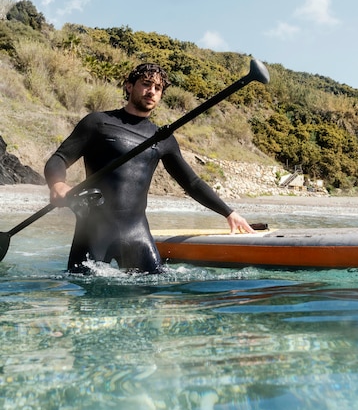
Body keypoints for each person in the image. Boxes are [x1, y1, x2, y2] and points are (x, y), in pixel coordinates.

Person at [44, 62, 254, 273]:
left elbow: (191, 182)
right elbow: (60, 158)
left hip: (136, 232)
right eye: (146, 84)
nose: (151, 92)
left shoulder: (162, 139)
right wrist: (58, 184)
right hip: (93, 230)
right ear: (128, 86)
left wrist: (229, 213)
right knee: (86, 295)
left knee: (153, 290)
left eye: (158, 88)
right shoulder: (98, 123)